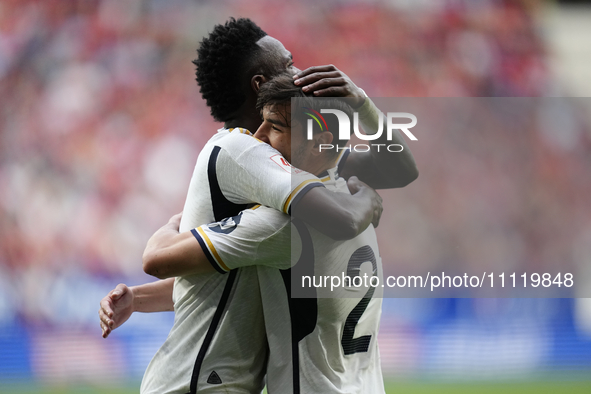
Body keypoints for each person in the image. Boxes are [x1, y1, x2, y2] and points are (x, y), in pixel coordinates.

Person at [99, 18, 417, 394]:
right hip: (198, 382)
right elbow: (344, 214)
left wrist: (361, 102)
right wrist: (365, 199)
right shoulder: (242, 151)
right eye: (288, 64)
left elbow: (227, 276)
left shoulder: (297, 164)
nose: (299, 72)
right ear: (260, 84)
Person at [141, 73, 387, 393]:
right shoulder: (356, 198)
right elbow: (234, 283)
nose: (259, 136)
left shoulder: (280, 225)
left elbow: (158, 260)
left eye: (276, 127)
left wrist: (174, 222)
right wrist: (136, 298)